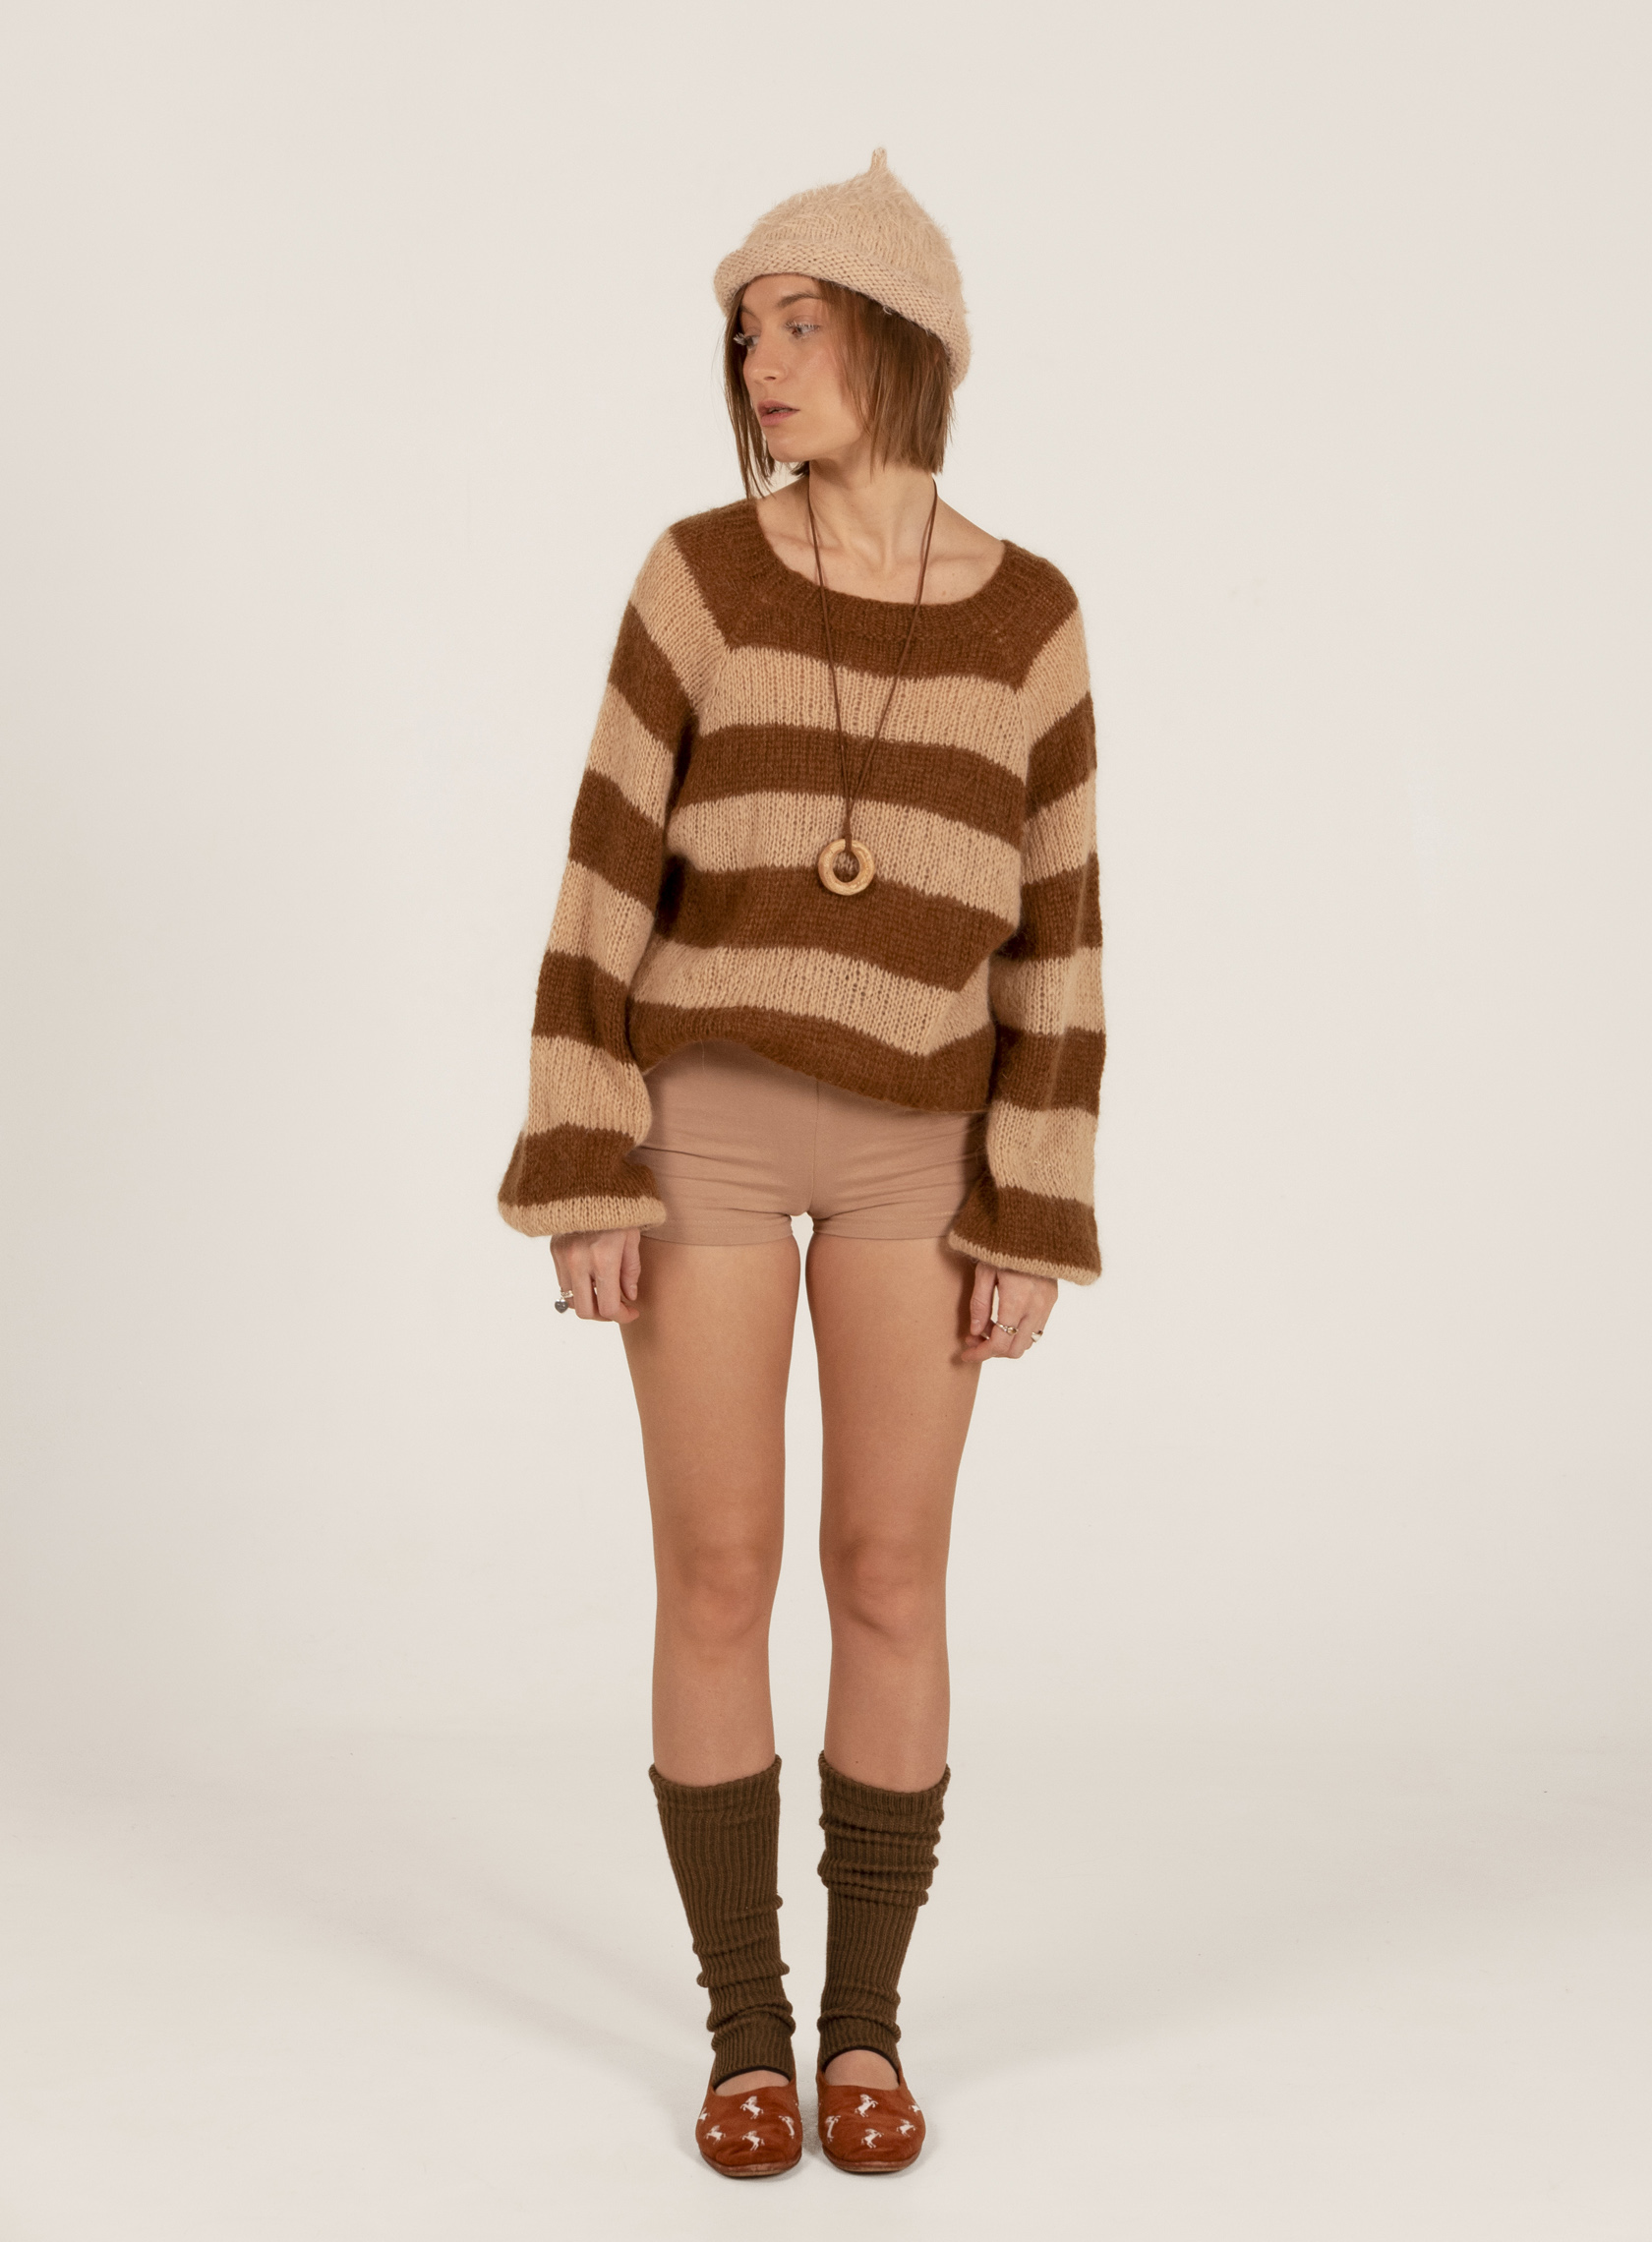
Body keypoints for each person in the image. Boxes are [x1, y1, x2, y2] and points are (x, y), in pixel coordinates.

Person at [499, 149, 1102, 2179]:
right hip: (709, 1134)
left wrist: (1031, 1206)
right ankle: (747, 2032)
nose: (763, 361)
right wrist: (586, 1158)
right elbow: (601, 875)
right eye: (748, 331)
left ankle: (865, 2034)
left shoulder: (1031, 617)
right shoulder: (699, 575)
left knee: (893, 1573)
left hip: (929, 1150)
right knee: (719, 1568)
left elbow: (1061, 941)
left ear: (904, 341)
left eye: (803, 321)